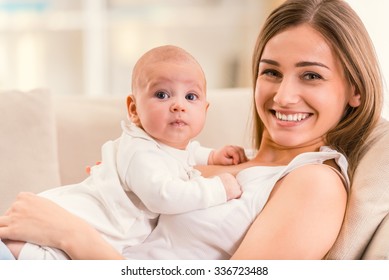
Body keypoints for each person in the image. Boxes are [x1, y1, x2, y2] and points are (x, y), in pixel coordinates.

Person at [0, 0, 383, 260]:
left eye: (311, 76)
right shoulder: (210, 156)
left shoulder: (313, 182)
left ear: (355, 91)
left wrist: (70, 235)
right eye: (271, 72)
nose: (283, 96)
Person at [0, 45, 247, 260]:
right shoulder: (140, 152)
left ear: (205, 108)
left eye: (191, 96)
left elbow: (186, 153)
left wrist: (213, 156)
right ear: (134, 109)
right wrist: (218, 189)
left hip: (81, 232)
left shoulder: (165, 146)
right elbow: (164, 196)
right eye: (162, 94)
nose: (178, 105)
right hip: (72, 225)